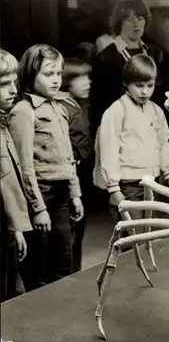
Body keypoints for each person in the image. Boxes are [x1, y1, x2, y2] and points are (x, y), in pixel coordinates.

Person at [9, 44, 84, 291]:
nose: (55, 80)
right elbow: (24, 165)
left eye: (59, 74)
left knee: (63, 261)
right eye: (48, 74)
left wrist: (75, 194)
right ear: (31, 75)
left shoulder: (59, 107)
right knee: (38, 267)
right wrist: (38, 208)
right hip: (40, 194)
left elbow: (67, 157)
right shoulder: (24, 110)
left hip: (62, 193)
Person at [99, 54, 169, 224]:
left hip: (152, 182)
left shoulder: (157, 111)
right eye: (139, 85)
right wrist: (113, 188)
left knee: (149, 232)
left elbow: (163, 144)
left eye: (150, 85)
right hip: (128, 185)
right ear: (126, 83)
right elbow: (109, 149)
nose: (145, 91)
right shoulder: (117, 111)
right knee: (133, 235)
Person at [90, 0, 169, 138]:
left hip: (153, 129)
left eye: (140, 18)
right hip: (122, 132)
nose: (136, 24)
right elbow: (98, 106)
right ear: (119, 23)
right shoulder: (105, 58)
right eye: (129, 19)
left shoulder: (156, 53)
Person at [55, 58, 93, 272]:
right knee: (69, 235)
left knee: (77, 232)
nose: (87, 82)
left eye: (88, 77)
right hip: (69, 176)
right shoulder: (64, 108)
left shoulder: (80, 105)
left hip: (80, 176)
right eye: (80, 78)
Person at [0, 48, 31, 302]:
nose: (13, 90)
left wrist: (16, 229)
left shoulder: (3, 124)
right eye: (3, 84)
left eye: (14, 82)